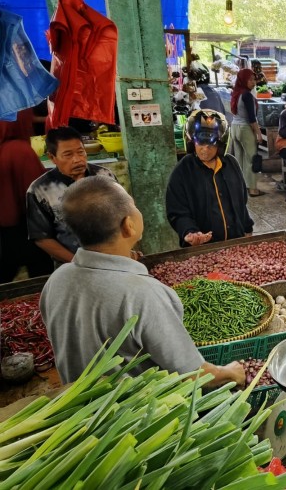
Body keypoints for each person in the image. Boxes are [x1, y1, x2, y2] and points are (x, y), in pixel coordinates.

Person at [41, 176, 246, 386]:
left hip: (79, 409)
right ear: (128, 225)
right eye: (134, 205)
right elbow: (193, 374)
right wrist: (230, 372)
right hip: (134, 412)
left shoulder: (56, 280)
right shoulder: (143, 293)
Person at [26, 126, 117, 266]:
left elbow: (124, 214)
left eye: (81, 152)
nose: (77, 159)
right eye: (68, 155)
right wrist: (79, 262)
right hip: (72, 266)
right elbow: (41, 237)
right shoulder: (40, 190)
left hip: (113, 260)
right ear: (52, 157)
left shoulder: (105, 177)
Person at [166, 109, 254, 247]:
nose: (205, 149)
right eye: (200, 143)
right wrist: (190, 232)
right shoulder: (183, 170)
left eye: (211, 144)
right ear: (191, 141)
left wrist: (248, 229)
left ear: (220, 144)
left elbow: (241, 203)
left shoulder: (231, 164)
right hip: (203, 248)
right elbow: (177, 212)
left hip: (235, 243)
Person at [0, 109, 52, 282]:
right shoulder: (20, 150)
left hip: (6, 233)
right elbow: (39, 194)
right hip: (24, 231)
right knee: (40, 280)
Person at [228, 69, 264, 197]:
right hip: (245, 129)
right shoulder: (247, 95)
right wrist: (259, 134)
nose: (253, 82)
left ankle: (241, 187)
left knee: (240, 159)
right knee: (251, 159)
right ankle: (253, 189)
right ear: (243, 80)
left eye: (254, 79)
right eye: (250, 79)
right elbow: (252, 119)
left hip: (234, 127)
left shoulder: (236, 93)